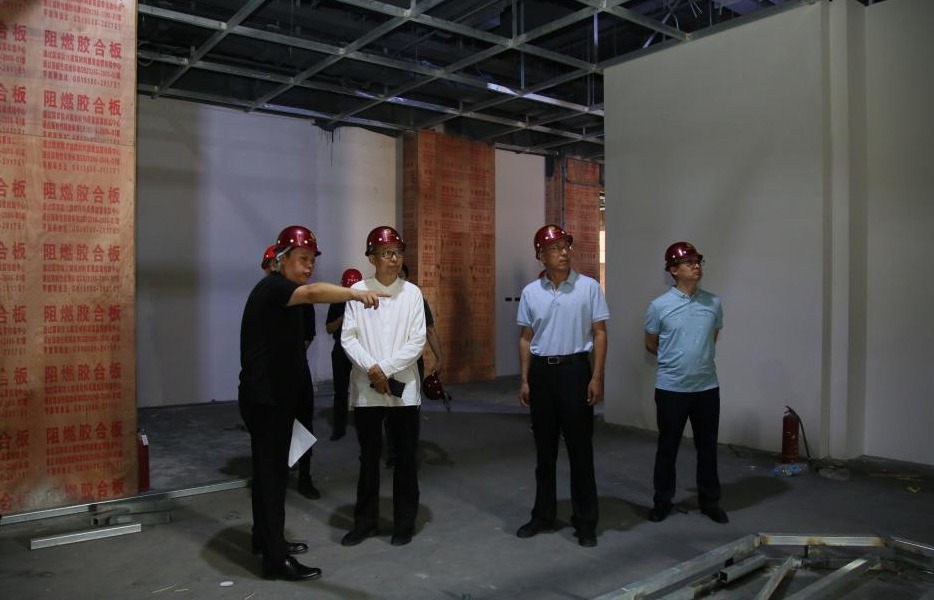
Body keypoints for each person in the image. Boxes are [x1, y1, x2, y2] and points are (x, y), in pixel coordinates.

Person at [239, 225, 385, 581]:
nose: (308, 266)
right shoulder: (275, 287)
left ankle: (266, 540)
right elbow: (315, 292)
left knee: (269, 475)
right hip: (266, 400)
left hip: (273, 398)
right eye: (302, 259)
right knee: (272, 477)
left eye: (311, 261)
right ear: (281, 259)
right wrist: (356, 293)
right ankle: (274, 560)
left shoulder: (283, 294)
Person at [516, 224, 609, 548]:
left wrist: (596, 376)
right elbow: (526, 338)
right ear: (540, 255)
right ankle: (543, 515)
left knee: (581, 451)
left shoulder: (589, 288)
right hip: (542, 375)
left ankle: (586, 522)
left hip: (575, 372)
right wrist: (525, 379)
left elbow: (600, 333)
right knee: (545, 451)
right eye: (555, 248)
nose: (564, 252)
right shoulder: (531, 292)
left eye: (566, 246)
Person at [340, 226, 426, 547]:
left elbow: (417, 340)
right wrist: (373, 370)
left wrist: (385, 370)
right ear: (372, 258)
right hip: (367, 389)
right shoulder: (358, 291)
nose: (394, 259)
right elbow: (348, 337)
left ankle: (404, 522)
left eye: (398, 253)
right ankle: (365, 522)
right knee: (368, 458)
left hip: (403, 389)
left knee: (405, 458)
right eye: (387, 253)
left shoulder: (412, 294)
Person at [644, 241, 727, 524]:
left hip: (706, 388)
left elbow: (711, 338)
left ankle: (710, 501)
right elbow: (651, 343)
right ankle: (662, 501)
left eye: (698, 261)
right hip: (671, 389)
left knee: (708, 448)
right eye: (689, 262)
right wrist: (676, 360)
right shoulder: (659, 306)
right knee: (667, 448)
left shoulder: (713, 303)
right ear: (673, 270)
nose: (696, 266)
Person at [264, 244, 320, 497]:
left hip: (297, 371)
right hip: (273, 375)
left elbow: (308, 334)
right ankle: (276, 475)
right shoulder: (264, 297)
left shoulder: (302, 297)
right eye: (269, 268)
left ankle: (304, 475)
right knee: (274, 427)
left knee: (304, 424)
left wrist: (293, 355)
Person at [382, 263, 443, 468]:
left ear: (407, 278)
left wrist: (439, 358)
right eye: (395, 275)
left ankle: (409, 452)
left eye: (401, 275)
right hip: (389, 363)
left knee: (411, 409)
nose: (397, 279)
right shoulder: (381, 299)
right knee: (390, 408)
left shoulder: (417, 300)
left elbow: (430, 330)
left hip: (412, 364)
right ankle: (393, 453)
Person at [324, 268, 364, 441]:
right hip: (340, 350)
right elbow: (329, 328)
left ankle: (364, 426)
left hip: (360, 350)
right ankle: (339, 428)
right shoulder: (337, 302)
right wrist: (343, 318)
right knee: (340, 391)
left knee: (362, 389)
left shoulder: (365, 302)